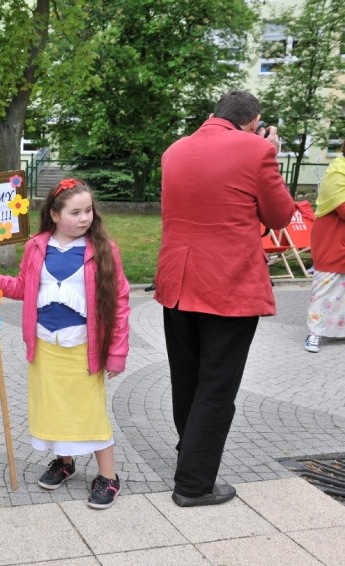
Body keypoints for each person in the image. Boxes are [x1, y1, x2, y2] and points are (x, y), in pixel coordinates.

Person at [155, 90, 296, 507]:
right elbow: (280, 216)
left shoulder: (175, 150)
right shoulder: (256, 149)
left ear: (213, 114)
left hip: (176, 282)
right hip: (226, 285)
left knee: (187, 378)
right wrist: (269, 150)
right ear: (254, 121)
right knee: (217, 385)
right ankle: (194, 484)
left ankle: (191, 453)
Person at [0, 178, 131, 509]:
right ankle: (65, 462)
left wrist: (117, 352)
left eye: (88, 210)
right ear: (55, 214)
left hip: (84, 349)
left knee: (90, 413)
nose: (84, 218)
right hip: (45, 347)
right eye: (75, 212)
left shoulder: (104, 249)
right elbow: (25, 286)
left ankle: (108, 476)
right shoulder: (37, 246)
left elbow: (119, 301)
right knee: (53, 408)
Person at [304, 142, 345, 352]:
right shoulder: (337, 172)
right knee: (325, 288)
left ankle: (339, 331)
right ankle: (315, 333)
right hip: (333, 241)